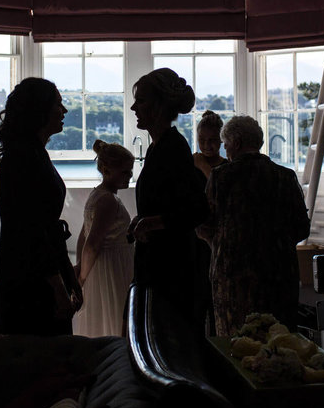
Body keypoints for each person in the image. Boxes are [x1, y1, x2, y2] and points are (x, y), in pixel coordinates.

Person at [197, 115, 311, 336]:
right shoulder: (285, 176)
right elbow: (301, 228)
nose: (226, 151)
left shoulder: (221, 177)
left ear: (236, 143)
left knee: (237, 349)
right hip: (279, 278)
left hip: (233, 281)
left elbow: (203, 226)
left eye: (226, 144)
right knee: (278, 346)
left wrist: (221, 245)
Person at [0, 77, 82, 336]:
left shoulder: (33, 153)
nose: (64, 111)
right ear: (39, 109)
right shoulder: (23, 159)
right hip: (29, 283)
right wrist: (58, 288)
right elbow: (31, 233)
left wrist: (70, 277)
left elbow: (47, 228)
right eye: (58, 104)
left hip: (36, 275)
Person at [128, 68, 209, 329]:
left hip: (171, 272)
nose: (133, 107)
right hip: (160, 267)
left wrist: (151, 223)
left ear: (160, 106)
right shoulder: (157, 147)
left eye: (141, 100)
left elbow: (196, 210)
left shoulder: (173, 148)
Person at [73, 140, 135, 337]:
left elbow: (83, 235)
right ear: (107, 170)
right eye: (124, 172)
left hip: (101, 266)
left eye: (130, 171)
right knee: (115, 316)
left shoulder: (97, 194)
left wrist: (80, 265)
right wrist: (82, 277)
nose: (130, 176)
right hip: (111, 267)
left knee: (105, 316)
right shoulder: (108, 200)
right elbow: (91, 244)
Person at [192, 110, 226, 180]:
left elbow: (221, 189)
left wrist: (203, 166)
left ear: (221, 139)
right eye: (202, 140)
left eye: (212, 139)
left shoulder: (228, 167)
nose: (206, 145)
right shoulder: (192, 163)